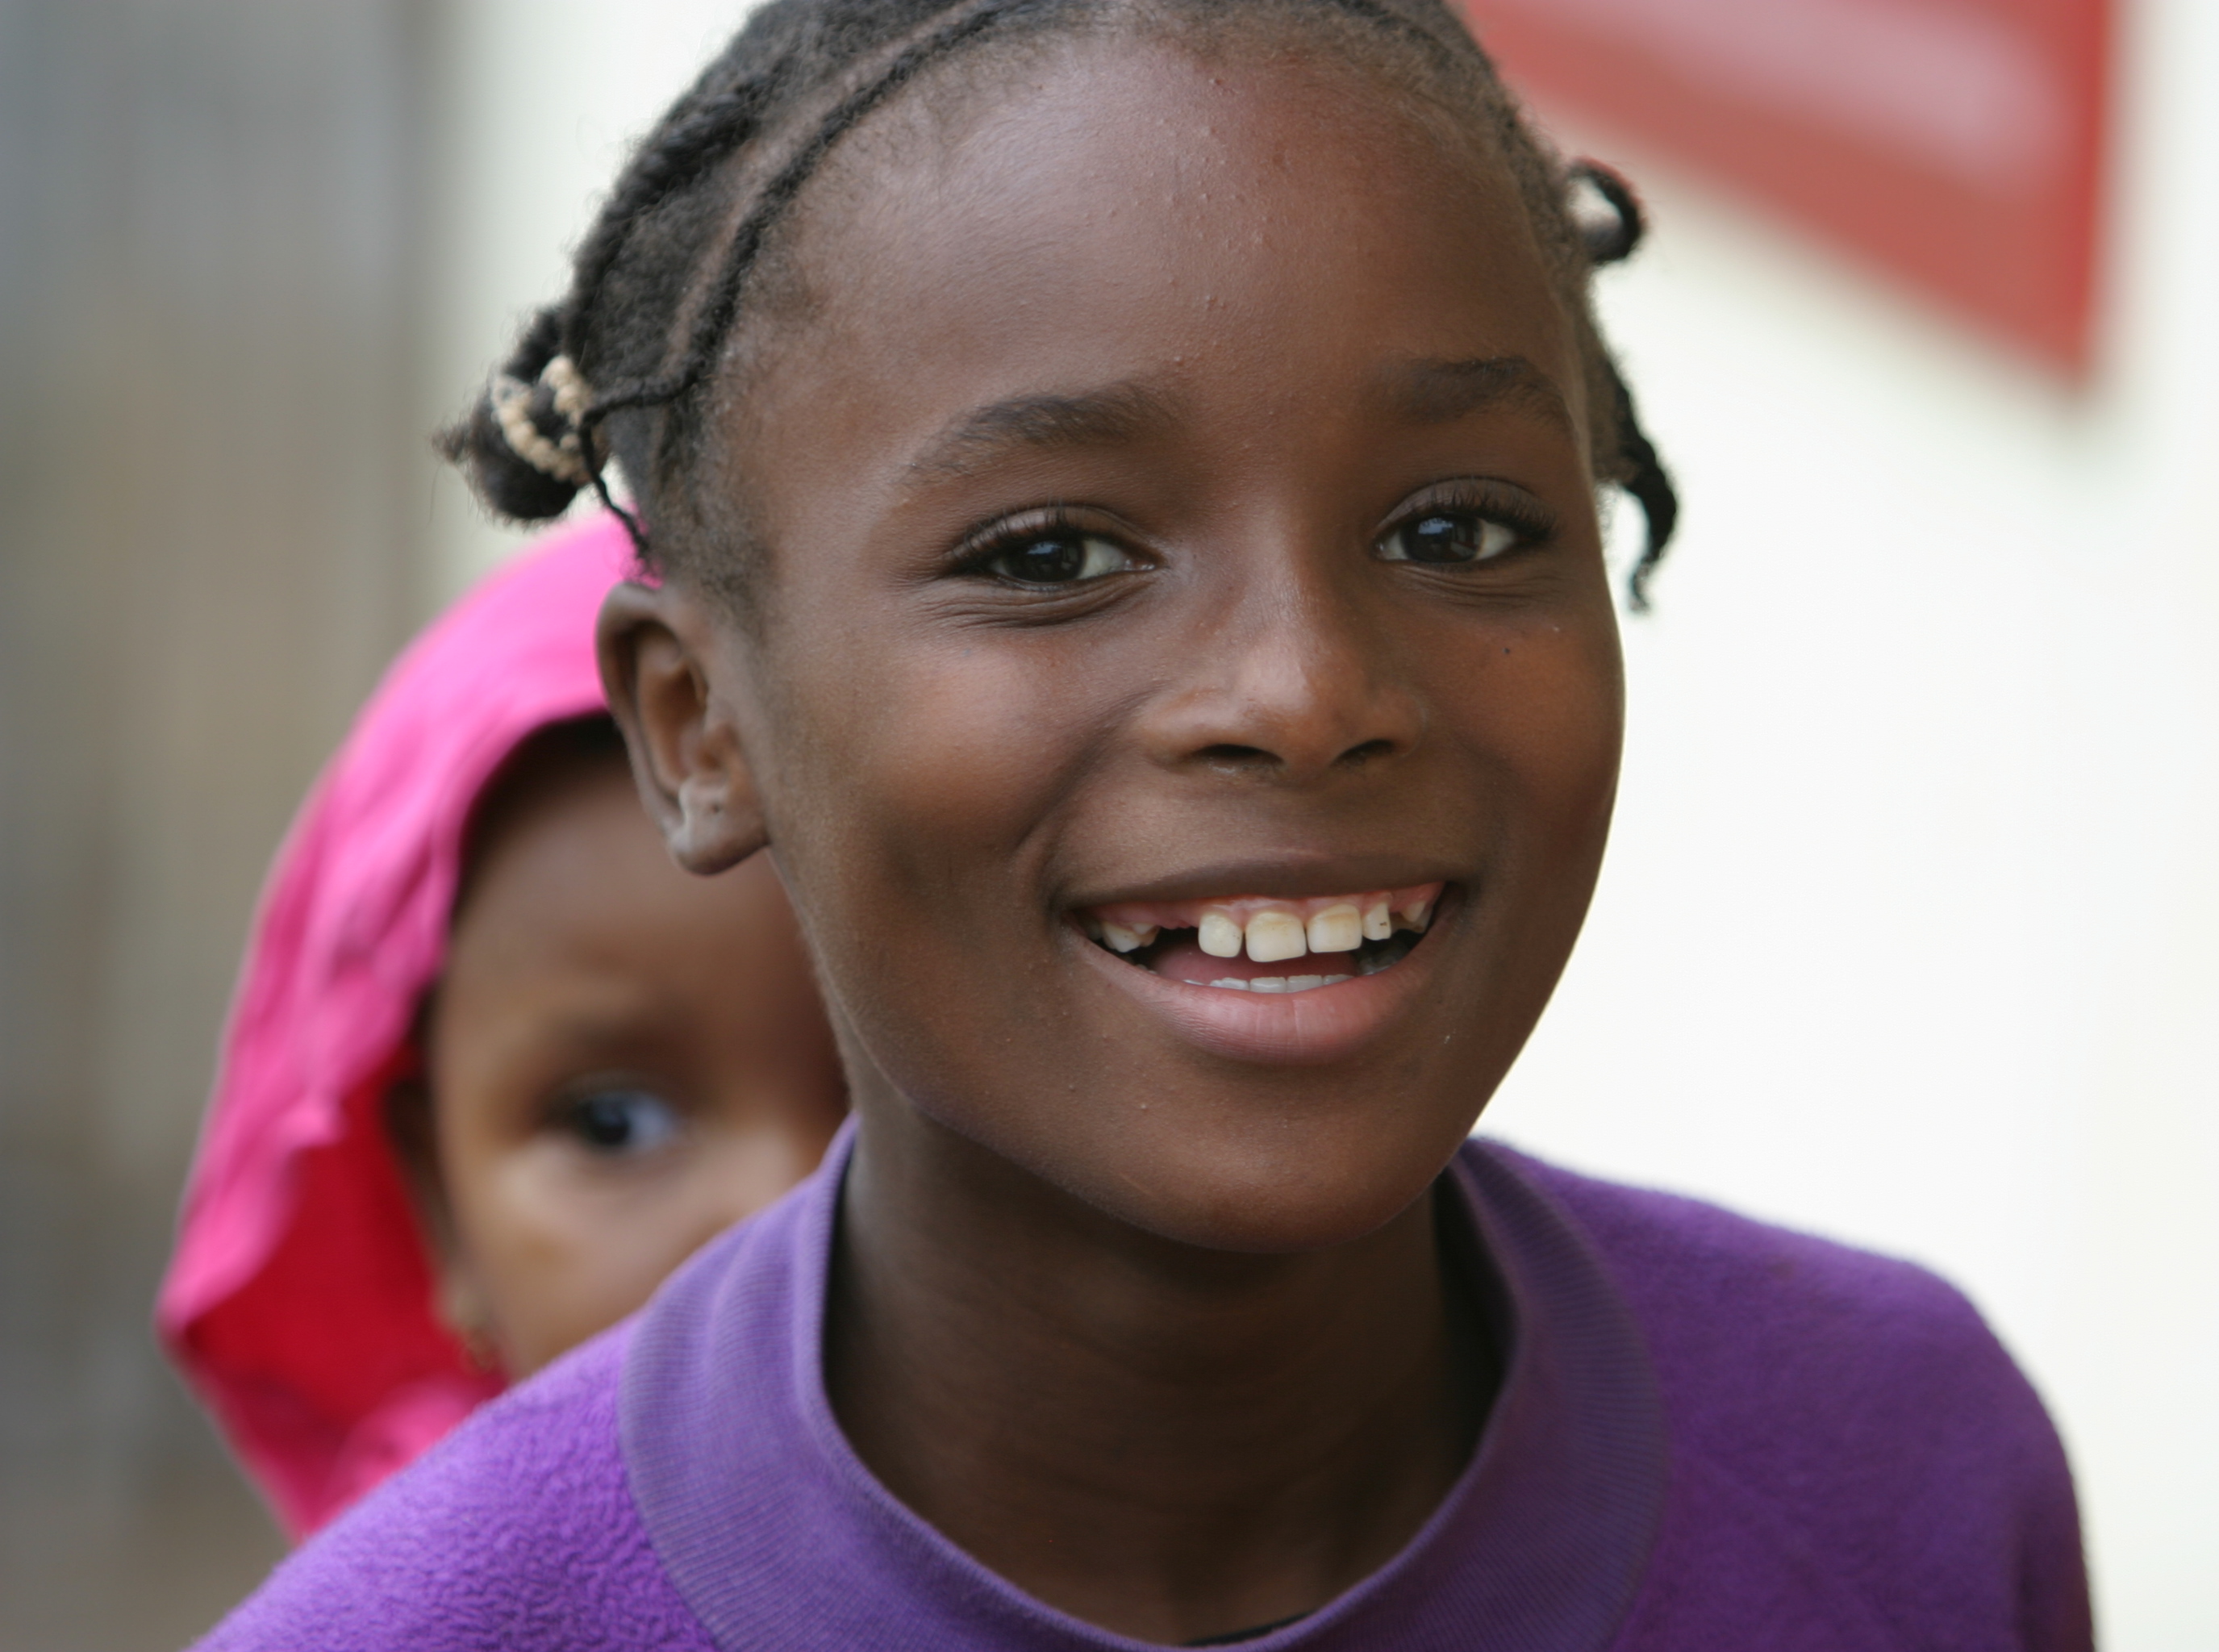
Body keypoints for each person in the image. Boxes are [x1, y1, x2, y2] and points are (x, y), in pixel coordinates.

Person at [197, 1, 2092, 1645]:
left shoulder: (1898, 1478)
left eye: (1453, 527)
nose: (1305, 689)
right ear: (702, 727)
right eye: (1051, 556)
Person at [158, 515, 846, 1540]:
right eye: (614, 1122)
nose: (784, 1215)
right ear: (439, 1201)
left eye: (899, 1093)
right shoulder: (415, 1601)